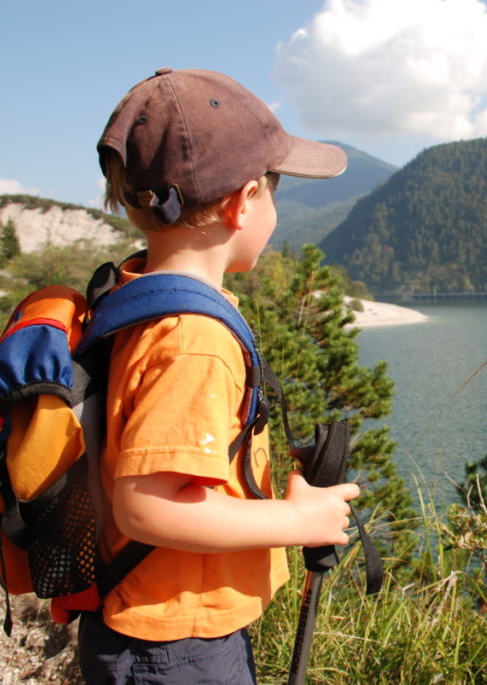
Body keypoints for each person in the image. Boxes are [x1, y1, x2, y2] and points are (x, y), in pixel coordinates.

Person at [79, 67, 359, 683]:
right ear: (242, 201)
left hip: (161, 628)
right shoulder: (194, 337)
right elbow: (148, 508)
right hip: (173, 645)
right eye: (275, 190)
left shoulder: (139, 295)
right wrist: (295, 523)